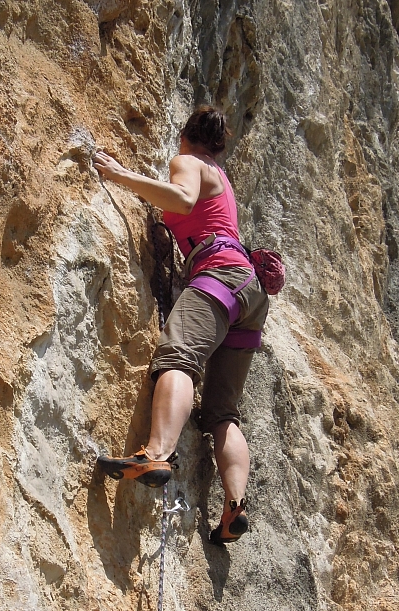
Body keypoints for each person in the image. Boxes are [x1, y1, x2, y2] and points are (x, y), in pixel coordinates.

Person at [93, 107, 269, 544]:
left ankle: (156, 455)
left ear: (185, 137)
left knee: (179, 356)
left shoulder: (189, 162)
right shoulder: (223, 180)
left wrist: (120, 176)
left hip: (219, 275)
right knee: (222, 412)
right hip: (250, 291)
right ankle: (234, 509)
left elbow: (183, 200)